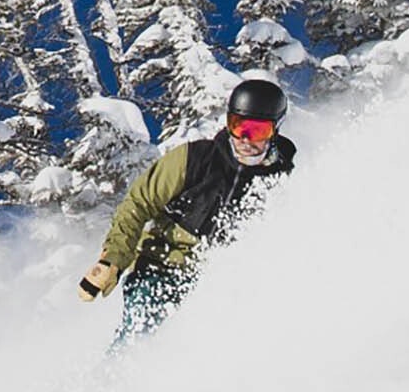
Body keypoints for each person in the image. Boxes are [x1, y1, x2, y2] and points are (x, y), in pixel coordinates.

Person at [78, 79, 297, 345]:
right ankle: (116, 378)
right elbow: (138, 203)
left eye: (258, 130)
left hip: (220, 282)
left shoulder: (281, 182)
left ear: (275, 130)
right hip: (161, 267)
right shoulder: (195, 159)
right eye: (238, 127)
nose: (245, 140)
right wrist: (112, 261)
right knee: (145, 328)